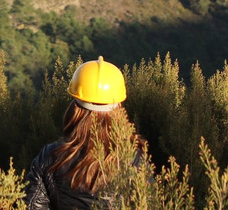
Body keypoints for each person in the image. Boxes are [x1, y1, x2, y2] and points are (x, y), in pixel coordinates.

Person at [25, 56, 145, 210]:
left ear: (75, 107)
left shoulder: (49, 156)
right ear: (118, 107)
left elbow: (32, 206)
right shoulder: (134, 159)